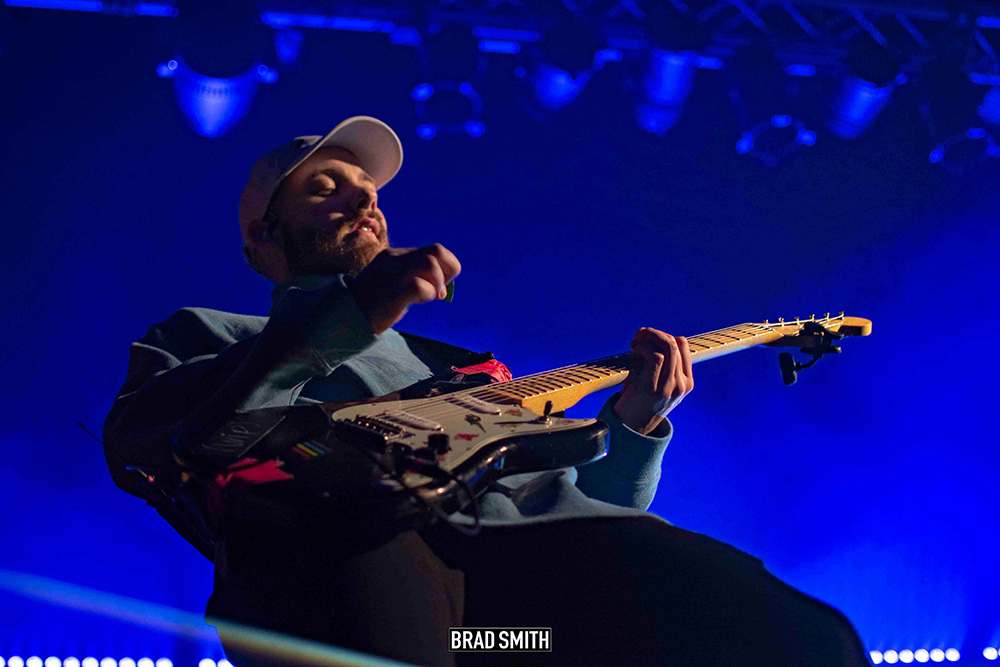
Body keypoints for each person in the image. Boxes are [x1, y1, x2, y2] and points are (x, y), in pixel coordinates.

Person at [104, 117, 869, 667]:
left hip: (520, 599)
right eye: (324, 188)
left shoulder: (463, 364)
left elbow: (563, 498)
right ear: (264, 242)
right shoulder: (208, 332)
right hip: (359, 555)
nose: (360, 201)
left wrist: (633, 427)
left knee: (802, 640)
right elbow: (154, 439)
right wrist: (344, 317)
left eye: (367, 189)